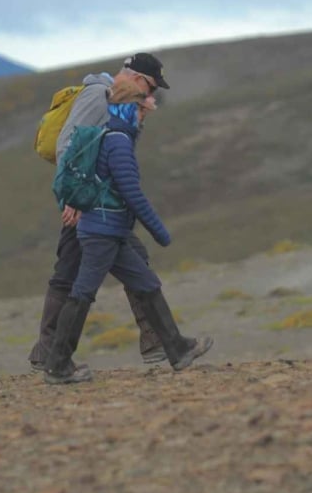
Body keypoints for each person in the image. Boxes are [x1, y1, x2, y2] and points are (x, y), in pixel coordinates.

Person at [43, 82, 212, 385]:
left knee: (146, 283)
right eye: (141, 110)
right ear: (129, 108)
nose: (143, 117)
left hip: (109, 229)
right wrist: (160, 232)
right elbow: (131, 192)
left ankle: (177, 348)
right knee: (82, 292)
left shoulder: (109, 135)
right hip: (102, 231)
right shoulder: (118, 141)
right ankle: (57, 364)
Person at [27, 53, 171, 372]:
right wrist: (73, 198)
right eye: (150, 86)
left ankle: (49, 352)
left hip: (97, 203)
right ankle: (159, 342)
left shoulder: (120, 102)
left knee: (79, 269)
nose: (150, 95)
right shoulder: (98, 95)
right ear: (135, 77)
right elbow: (69, 145)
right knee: (82, 274)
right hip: (88, 203)